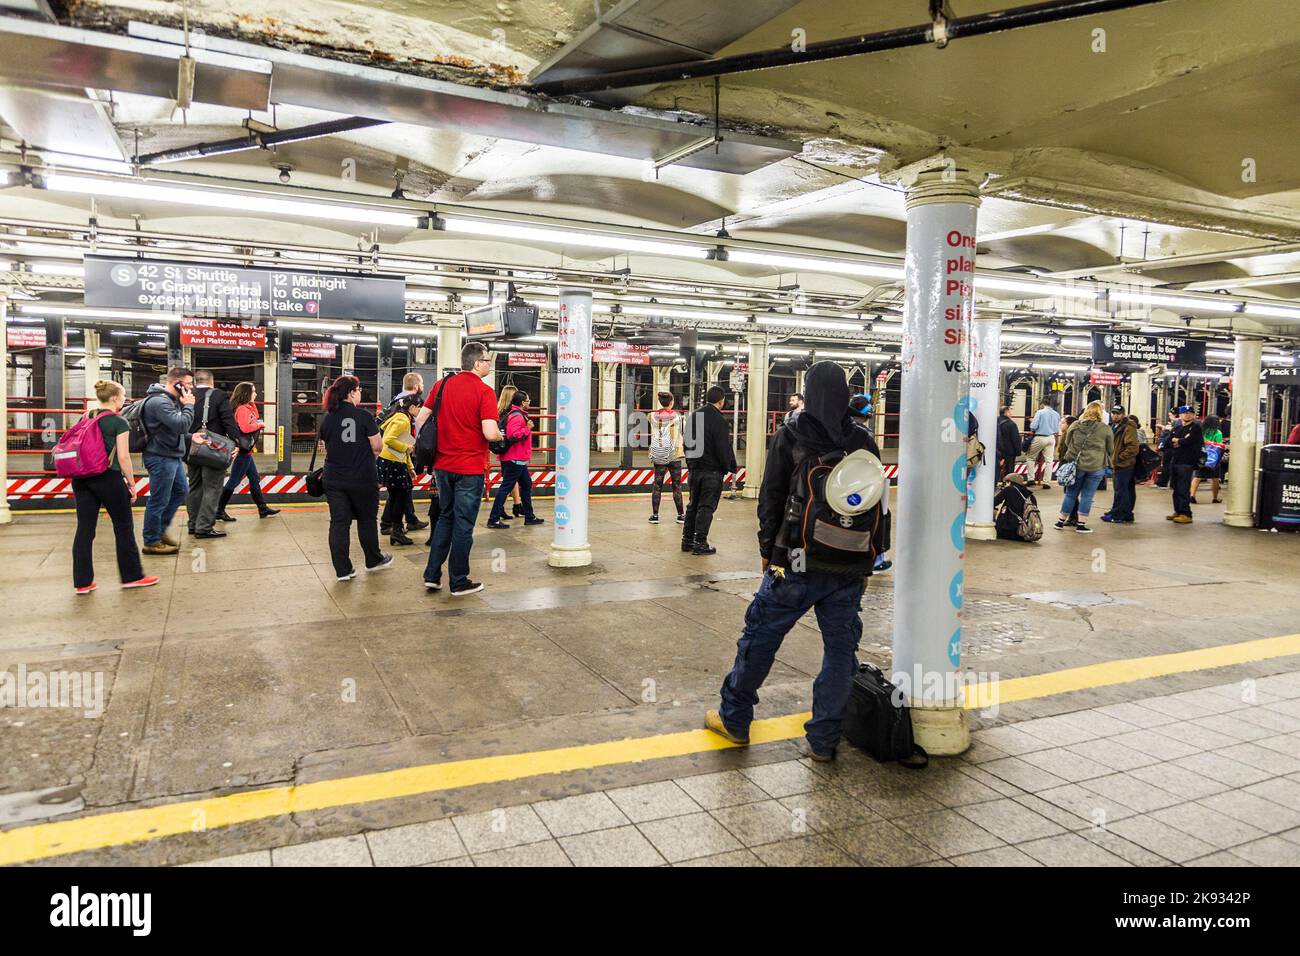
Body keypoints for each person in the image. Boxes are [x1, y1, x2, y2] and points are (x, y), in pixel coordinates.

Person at [705, 361, 885, 762]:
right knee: (841, 651)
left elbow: (770, 498)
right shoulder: (863, 442)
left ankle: (734, 719)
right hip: (849, 563)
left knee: (761, 638)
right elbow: (878, 505)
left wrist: (768, 552)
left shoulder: (792, 434)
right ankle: (824, 740)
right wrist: (869, 560)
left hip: (796, 560)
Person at [416, 341, 504, 597]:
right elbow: (489, 432)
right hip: (469, 468)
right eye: (487, 360)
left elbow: (420, 420)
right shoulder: (484, 392)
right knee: (463, 525)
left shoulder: (441, 385)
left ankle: (432, 575)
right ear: (478, 363)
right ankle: (459, 580)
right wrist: (500, 436)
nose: (489, 363)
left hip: (442, 466)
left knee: (446, 517)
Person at [71, 380, 159, 594]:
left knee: (84, 529)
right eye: (122, 396)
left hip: (81, 478)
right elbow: (123, 457)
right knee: (123, 527)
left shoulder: (85, 417)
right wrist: (131, 483)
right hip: (107, 477)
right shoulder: (119, 422)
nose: (123, 399)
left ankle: (83, 583)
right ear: (113, 399)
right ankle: (132, 576)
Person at [319, 374, 392, 580]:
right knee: (367, 520)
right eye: (359, 390)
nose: (360, 394)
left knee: (339, 523)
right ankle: (373, 559)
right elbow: (378, 446)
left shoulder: (328, 418)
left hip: (333, 478)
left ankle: (343, 570)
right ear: (351, 393)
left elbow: (325, 447)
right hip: (362, 478)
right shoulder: (364, 416)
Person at [141, 367, 196, 555]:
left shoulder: (170, 401)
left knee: (181, 490)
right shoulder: (159, 402)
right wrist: (188, 405)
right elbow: (180, 424)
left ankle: (159, 530)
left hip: (171, 455)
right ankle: (151, 540)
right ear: (177, 383)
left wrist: (191, 437)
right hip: (160, 457)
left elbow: (173, 428)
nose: (191, 388)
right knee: (159, 500)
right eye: (188, 384)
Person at [682, 385, 737, 556]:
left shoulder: (693, 416)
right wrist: (727, 466)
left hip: (694, 470)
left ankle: (687, 541)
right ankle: (700, 543)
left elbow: (686, 442)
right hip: (711, 471)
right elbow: (722, 448)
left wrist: (691, 463)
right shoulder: (719, 420)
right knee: (706, 507)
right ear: (721, 402)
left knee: (693, 506)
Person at [217, 382, 280, 521]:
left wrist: (252, 405)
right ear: (246, 394)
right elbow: (246, 428)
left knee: (254, 479)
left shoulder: (244, 407)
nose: (256, 394)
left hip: (246, 451)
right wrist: (260, 425)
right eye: (253, 392)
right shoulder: (242, 409)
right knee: (233, 481)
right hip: (243, 451)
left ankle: (262, 509)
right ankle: (219, 510)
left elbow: (253, 417)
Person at [381, 372, 430, 537]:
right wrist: (408, 448)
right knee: (400, 490)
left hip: (400, 450)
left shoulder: (397, 400)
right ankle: (390, 524)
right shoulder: (409, 407)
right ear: (416, 386)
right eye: (421, 383)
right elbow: (393, 437)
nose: (422, 386)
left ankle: (407, 520)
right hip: (400, 450)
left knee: (402, 489)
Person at [487, 387, 544, 529]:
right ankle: (493, 519)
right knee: (506, 487)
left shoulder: (515, 414)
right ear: (523, 403)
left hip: (516, 458)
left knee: (526, 484)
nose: (529, 402)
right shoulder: (517, 416)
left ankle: (529, 516)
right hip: (515, 459)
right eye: (528, 400)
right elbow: (513, 435)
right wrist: (527, 428)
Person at [1055, 402, 1114, 534]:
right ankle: (1081, 524)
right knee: (1087, 496)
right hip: (1096, 466)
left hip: (1077, 465)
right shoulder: (1105, 429)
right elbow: (1110, 449)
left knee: (1071, 494)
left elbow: (1067, 442)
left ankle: (1060, 521)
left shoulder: (1075, 425)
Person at [849, 393, 892, 574]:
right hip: (865, 485)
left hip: (845, 485)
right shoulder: (864, 435)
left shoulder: (841, 429)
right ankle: (876, 558)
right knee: (880, 517)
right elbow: (875, 462)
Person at [378, 393, 421, 546]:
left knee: (398, 497)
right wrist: (406, 448)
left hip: (393, 461)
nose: (420, 410)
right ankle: (396, 531)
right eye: (419, 407)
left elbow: (404, 444)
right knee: (400, 498)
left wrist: (410, 467)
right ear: (412, 407)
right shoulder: (403, 420)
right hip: (393, 462)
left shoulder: (402, 417)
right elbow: (388, 439)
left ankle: (396, 530)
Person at [648, 391, 686, 525]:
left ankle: (655, 515)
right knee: (677, 485)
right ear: (672, 402)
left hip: (659, 453)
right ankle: (681, 515)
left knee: (657, 485)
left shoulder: (651, 416)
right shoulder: (679, 417)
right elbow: (684, 432)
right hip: (674, 454)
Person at [1101, 406, 1139, 524]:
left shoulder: (1128, 427)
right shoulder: (1114, 426)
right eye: (1113, 413)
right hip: (1118, 464)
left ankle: (1119, 515)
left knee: (1122, 490)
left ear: (1123, 414)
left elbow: (1133, 447)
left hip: (1124, 465)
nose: (1115, 415)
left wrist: (1118, 458)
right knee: (1123, 489)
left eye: (1118, 413)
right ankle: (1121, 512)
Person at [1167, 404, 1203, 524]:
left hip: (1187, 462)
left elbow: (1190, 441)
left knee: (1183, 488)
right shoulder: (1177, 428)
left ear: (1193, 415)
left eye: (1189, 413)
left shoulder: (1196, 428)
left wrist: (1179, 441)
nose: (1187, 415)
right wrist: (1179, 441)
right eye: (1184, 413)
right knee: (1176, 488)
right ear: (1180, 415)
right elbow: (1168, 441)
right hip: (1175, 461)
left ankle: (1186, 513)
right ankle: (1178, 510)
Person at [1026, 399, 1061, 488]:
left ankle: (1031, 479)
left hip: (1040, 437)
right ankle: (1046, 482)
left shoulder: (1040, 412)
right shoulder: (1056, 414)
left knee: (1030, 457)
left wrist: (1031, 422)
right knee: (1049, 461)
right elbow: (1057, 429)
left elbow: (1034, 426)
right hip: (1051, 438)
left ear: (1042, 404)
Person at [1190, 414, 1224, 504]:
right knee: (1215, 478)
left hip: (1201, 456)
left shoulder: (1201, 430)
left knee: (1197, 476)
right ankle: (1215, 498)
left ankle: (1192, 496)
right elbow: (1218, 445)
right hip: (1213, 459)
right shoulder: (1218, 433)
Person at [996, 403, 1023, 484]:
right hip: (1009, 451)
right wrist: (1018, 451)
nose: (1011, 413)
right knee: (1009, 468)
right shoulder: (1011, 424)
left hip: (997, 450)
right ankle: (1008, 483)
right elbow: (1015, 439)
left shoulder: (994, 421)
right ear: (1006, 412)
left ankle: (995, 482)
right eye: (1010, 411)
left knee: (996, 466)